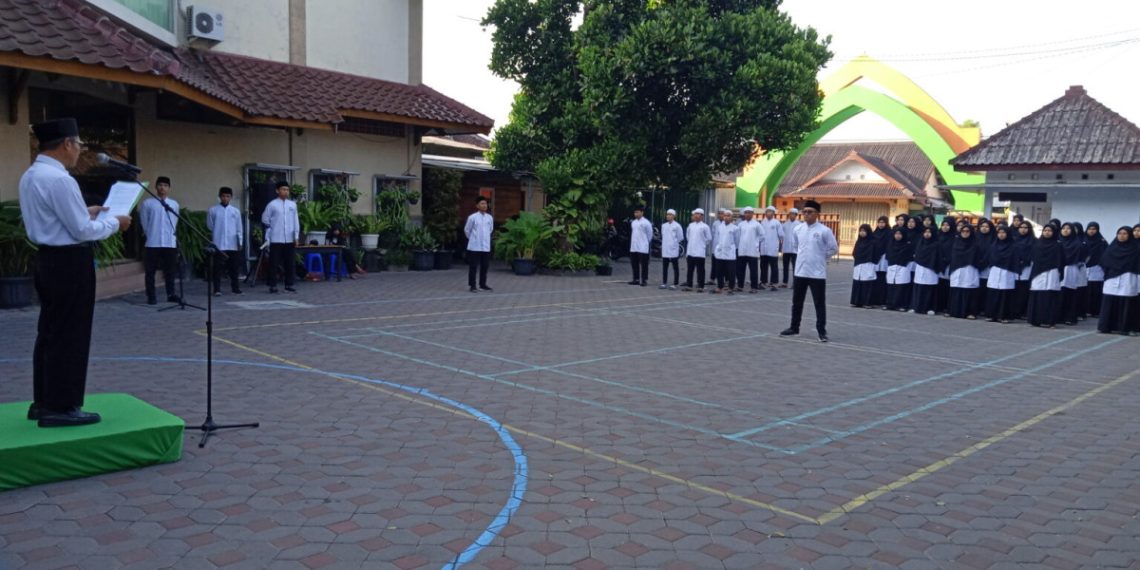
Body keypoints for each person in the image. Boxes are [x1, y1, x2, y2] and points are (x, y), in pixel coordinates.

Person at [20, 118, 132, 427]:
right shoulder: (60, 179)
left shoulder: (32, 175)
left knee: (50, 332)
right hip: (69, 263)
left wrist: (88, 210)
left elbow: (59, 219)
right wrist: (115, 223)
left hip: (47, 260)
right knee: (70, 335)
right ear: (67, 144)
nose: (79, 150)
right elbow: (81, 231)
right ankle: (62, 406)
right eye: (79, 144)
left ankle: (44, 401)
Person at [781, 200, 838, 342]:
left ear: (817, 214)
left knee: (819, 303)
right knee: (797, 301)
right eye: (804, 212)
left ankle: (821, 331)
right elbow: (795, 246)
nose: (806, 214)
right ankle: (794, 327)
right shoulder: (798, 229)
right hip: (800, 271)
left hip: (817, 273)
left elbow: (833, 248)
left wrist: (820, 257)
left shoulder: (824, 230)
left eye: (810, 212)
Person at [138, 175, 180, 305]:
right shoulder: (148, 203)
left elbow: (175, 221)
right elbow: (144, 222)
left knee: (170, 270)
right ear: (156, 187)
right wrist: (150, 233)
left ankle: (171, 293)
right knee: (150, 271)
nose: (162, 188)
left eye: (165, 186)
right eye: (160, 185)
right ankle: (151, 296)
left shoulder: (173, 204)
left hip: (169, 242)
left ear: (169, 188)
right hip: (153, 241)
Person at [261, 180, 300, 293]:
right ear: (277, 191)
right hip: (276, 238)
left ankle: (289, 284)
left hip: (289, 239)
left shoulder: (292, 205)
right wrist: (271, 230)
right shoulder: (272, 204)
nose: (285, 192)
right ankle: (272, 285)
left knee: (290, 263)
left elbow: (295, 221)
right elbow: (265, 219)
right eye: (283, 189)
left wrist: (296, 236)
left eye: (287, 189)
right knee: (274, 263)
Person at [1096, 226, 1136, 334]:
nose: (1122, 236)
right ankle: (1106, 326)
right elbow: (1104, 262)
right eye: (1119, 233)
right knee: (1109, 302)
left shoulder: (1135, 249)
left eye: (1125, 234)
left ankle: (1124, 328)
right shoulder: (1111, 248)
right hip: (1111, 278)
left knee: (1126, 303)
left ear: (1130, 235)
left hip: (1128, 277)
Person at [206, 187, 244, 296]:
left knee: (234, 267)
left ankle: (235, 288)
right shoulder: (213, 210)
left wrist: (240, 242)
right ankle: (217, 289)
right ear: (219, 197)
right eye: (223, 196)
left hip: (232, 244)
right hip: (218, 243)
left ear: (231, 197)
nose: (225, 198)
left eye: (228, 196)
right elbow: (210, 225)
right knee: (217, 267)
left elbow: (239, 228)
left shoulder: (235, 211)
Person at [1026, 223, 1064, 328]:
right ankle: (1035, 320)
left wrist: (1060, 272)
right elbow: (1032, 257)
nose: (1047, 232)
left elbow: (1062, 260)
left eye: (1050, 231)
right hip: (1038, 272)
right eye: (1045, 230)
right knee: (1037, 295)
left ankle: (1050, 321)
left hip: (1052, 272)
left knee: (1050, 295)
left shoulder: (1058, 245)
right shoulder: (1037, 244)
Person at [947, 224, 982, 319]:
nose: (965, 233)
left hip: (970, 270)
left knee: (969, 291)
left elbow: (978, 258)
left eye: (967, 231)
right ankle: (954, 311)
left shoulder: (975, 244)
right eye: (963, 231)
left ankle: (970, 312)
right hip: (957, 270)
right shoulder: (956, 243)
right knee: (956, 290)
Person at [984, 224, 1018, 323]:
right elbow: (990, 258)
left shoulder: (1013, 246)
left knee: (1005, 294)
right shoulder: (994, 245)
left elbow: (1015, 260)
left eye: (1003, 232)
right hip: (995, 272)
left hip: (1007, 272)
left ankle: (1003, 316)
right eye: (999, 232)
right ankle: (991, 315)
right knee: (993, 293)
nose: (1001, 235)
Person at [464, 195, 494, 292]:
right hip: (474, 246)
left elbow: (490, 230)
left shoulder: (489, 218)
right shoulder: (472, 217)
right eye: (482, 203)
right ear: (477, 206)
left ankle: (483, 284)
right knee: (473, 266)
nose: (484, 205)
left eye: (485, 203)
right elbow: (467, 230)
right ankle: (472, 285)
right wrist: (473, 239)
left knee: (485, 266)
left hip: (485, 246)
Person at [1057, 222, 1083, 325]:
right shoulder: (1057, 242)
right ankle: (1057, 317)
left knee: (1069, 294)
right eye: (1063, 228)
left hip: (1071, 269)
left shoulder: (1077, 243)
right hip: (1058, 269)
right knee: (1058, 293)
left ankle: (1069, 317)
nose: (1065, 230)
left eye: (1068, 228)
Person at [910, 226, 940, 315]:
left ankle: (930, 308)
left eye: (929, 232)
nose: (927, 234)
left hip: (931, 269)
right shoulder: (920, 243)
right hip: (920, 268)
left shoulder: (936, 244)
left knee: (930, 289)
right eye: (925, 232)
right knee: (918, 287)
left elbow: (939, 257)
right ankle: (916, 307)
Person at [1010, 221, 1036, 319]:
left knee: (1024, 290)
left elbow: (1034, 254)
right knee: (1014, 290)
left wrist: (1025, 261)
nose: (1023, 229)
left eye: (1026, 227)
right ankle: (1013, 311)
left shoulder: (1034, 241)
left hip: (1027, 268)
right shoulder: (1014, 240)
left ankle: (1022, 312)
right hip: (1014, 268)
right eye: (1021, 227)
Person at [884, 227, 914, 311]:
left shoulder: (908, 245)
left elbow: (910, 258)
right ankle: (890, 304)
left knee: (901, 287)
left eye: (900, 234)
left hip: (903, 267)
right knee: (891, 287)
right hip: (892, 267)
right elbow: (888, 256)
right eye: (896, 234)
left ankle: (902, 305)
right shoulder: (890, 244)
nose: (898, 236)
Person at [712, 208, 740, 294]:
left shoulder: (735, 228)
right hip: (720, 252)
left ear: (732, 217)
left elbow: (737, 241)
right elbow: (718, 238)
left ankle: (731, 288)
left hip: (730, 253)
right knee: (719, 271)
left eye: (728, 216)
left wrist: (731, 248)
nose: (726, 217)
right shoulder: (720, 227)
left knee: (731, 271)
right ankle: (720, 287)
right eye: (725, 216)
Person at [682, 208, 711, 292]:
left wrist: (702, 245)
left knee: (700, 270)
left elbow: (708, 238)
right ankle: (689, 285)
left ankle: (700, 286)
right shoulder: (690, 225)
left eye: (698, 214)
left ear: (702, 216)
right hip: (690, 251)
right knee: (690, 269)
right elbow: (687, 236)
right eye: (695, 214)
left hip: (700, 252)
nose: (696, 215)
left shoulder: (705, 226)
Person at [735, 206, 762, 293]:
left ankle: (754, 287)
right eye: (746, 213)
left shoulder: (757, 224)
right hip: (742, 250)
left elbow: (762, 235)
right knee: (740, 269)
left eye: (749, 212)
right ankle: (740, 286)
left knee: (753, 270)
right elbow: (737, 236)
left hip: (752, 251)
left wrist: (756, 243)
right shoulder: (741, 224)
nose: (747, 214)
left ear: (752, 214)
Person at [850, 224, 877, 307]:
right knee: (858, 282)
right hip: (858, 264)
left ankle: (867, 302)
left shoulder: (873, 242)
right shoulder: (859, 241)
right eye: (861, 231)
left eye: (864, 231)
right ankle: (857, 301)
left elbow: (876, 254)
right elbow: (854, 253)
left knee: (867, 283)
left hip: (868, 265)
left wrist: (870, 261)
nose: (862, 233)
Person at [934, 217, 957, 313]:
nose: (945, 227)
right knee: (937, 286)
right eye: (943, 225)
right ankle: (937, 306)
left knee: (946, 286)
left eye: (947, 225)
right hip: (937, 264)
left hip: (948, 264)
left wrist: (947, 260)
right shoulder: (937, 235)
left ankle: (945, 306)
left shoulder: (955, 237)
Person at [758, 206, 784, 290]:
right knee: (763, 266)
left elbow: (781, 235)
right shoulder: (762, 222)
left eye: (770, 212)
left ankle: (774, 283)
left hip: (772, 248)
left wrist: (779, 247)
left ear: (773, 213)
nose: (768, 213)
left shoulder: (776, 223)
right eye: (767, 212)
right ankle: (763, 282)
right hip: (763, 248)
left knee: (774, 266)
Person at [1085, 222, 1107, 317]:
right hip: (1084, 268)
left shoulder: (1102, 242)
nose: (1091, 231)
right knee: (1085, 290)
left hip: (1097, 268)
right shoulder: (1083, 240)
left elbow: (1106, 254)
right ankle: (1085, 310)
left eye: (1094, 229)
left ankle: (1095, 310)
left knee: (1095, 290)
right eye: (1090, 229)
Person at [659, 208, 684, 290]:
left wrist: (673, 244)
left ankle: (675, 283)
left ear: (674, 216)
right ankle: (664, 282)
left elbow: (680, 237)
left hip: (673, 249)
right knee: (664, 267)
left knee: (675, 267)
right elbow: (663, 236)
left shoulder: (677, 226)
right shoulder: (663, 225)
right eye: (667, 214)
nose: (668, 216)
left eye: (670, 215)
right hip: (665, 249)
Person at [628, 205, 652, 286]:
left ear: (642, 212)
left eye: (637, 212)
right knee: (634, 264)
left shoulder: (646, 222)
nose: (636, 214)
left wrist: (645, 242)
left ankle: (644, 280)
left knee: (644, 264)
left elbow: (650, 235)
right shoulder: (633, 222)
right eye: (635, 212)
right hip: (634, 246)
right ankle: (636, 279)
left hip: (643, 247)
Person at [870, 216, 890, 307]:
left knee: (883, 279)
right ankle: (874, 299)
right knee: (875, 279)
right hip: (875, 258)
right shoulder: (874, 233)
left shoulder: (889, 233)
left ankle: (883, 300)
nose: (881, 224)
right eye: (879, 222)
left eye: (883, 222)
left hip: (884, 258)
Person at [780, 208, 802, 288]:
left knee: (795, 267)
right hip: (786, 249)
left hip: (795, 250)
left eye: (793, 214)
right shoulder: (785, 224)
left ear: (796, 215)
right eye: (790, 214)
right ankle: (784, 282)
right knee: (785, 267)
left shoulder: (800, 225)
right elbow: (781, 235)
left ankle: (795, 283)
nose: (792, 215)